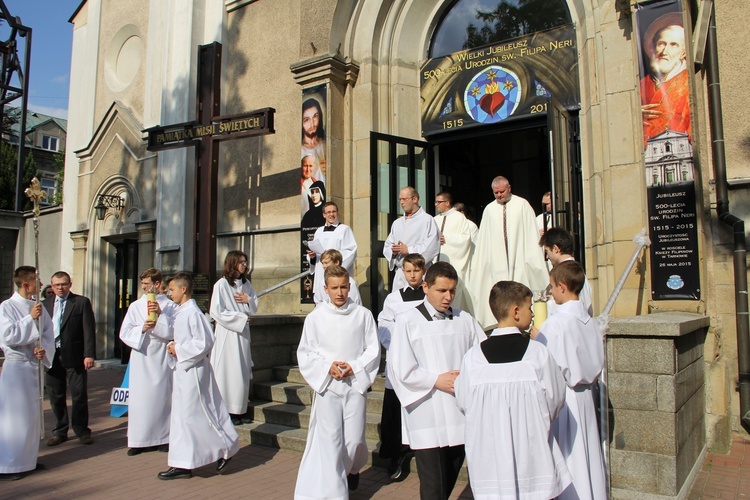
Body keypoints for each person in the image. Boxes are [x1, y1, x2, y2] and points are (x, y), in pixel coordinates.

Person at [455, 280, 571, 499]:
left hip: (490, 457)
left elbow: (463, 403)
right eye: (530, 308)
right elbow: (555, 400)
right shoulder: (538, 354)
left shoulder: (473, 358)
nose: (533, 314)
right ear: (516, 312)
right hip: (531, 453)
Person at [388, 262, 485, 499]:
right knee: (433, 486)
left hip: (459, 412)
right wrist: (436, 380)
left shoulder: (465, 320)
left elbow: (482, 357)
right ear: (425, 287)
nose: (448, 297)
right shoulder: (407, 321)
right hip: (426, 412)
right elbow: (400, 368)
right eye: (441, 290)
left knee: (450, 475)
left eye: (452, 290)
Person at [294, 265, 380, 498]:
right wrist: (326, 367)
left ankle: (352, 469)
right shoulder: (315, 318)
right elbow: (306, 352)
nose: (340, 292)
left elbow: (373, 348)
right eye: (334, 288)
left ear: (349, 286)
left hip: (354, 385)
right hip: (328, 388)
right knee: (331, 443)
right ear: (326, 289)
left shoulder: (363, 315)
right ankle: (336, 492)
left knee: (354, 440)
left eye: (343, 287)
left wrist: (355, 366)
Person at [533, 261, 606, 500]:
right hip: (586, 395)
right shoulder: (589, 320)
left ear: (562, 287)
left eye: (552, 287)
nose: (551, 293)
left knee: (570, 456)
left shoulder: (555, 324)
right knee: (588, 455)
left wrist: (537, 338)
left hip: (566, 399)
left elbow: (546, 365)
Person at [159, 272, 239, 480]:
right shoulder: (181, 312)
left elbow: (205, 342)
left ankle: (225, 448)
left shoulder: (193, 312)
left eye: (172, 289)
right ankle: (183, 462)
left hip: (193, 370)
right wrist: (173, 346)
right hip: (184, 369)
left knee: (198, 414)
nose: (170, 294)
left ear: (183, 289)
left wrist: (179, 349)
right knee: (183, 417)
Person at [467, 176, 548, 330]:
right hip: (496, 264)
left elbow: (530, 235)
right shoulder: (490, 210)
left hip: (520, 260)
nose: (499, 195)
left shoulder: (522, 205)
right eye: (496, 193)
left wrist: (532, 260)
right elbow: (485, 241)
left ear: (509, 188)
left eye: (502, 191)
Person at [0, 266, 54, 480]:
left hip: (33, 367)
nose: (40, 285)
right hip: (16, 369)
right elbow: (8, 336)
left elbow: (49, 333)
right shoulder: (7, 307)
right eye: (36, 281)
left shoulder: (38, 306)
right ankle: (9, 464)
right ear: (25, 284)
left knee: (32, 417)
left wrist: (44, 350)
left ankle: (28, 458)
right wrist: (29, 319)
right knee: (14, 418)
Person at [377, 253, 426, 480]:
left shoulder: (430, 297)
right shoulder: (393, 299)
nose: (413, 274)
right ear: (403, 272)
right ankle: (395, 455)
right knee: (395, 414)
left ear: (423, 271)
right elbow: (384, 325)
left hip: (424, 362)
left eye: (416, 270)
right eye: (408, 271)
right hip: (398, 361)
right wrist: (402, 339)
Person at [119, 268, 175, 455]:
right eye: (142, 284)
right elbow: (124, 332)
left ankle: (162, 438)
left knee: (162, 397)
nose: (143, 287)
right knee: (140, 399)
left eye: (147, 284)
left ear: (157, 284)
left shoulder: (170, 305)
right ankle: (139, 440)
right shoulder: (136, 306)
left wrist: (160, 317)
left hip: (161, 353)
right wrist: (141, 329)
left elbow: (174, 331)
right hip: (142, 354)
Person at [43, 270, 96, 446]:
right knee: (55, 395)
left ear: (70, 284)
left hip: (75, 355)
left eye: (63, 284)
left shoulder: (80, 302)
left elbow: (88, 330)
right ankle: (60, 431)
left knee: (78, 394)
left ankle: (81, 430)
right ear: (52, 286)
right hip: (52, 356)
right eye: (57, 285)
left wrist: (89, 354)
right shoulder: (44, 305)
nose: (60, 288)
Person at [210, 251, 259, 426]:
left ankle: (240, 409)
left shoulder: (246, 284)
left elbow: (254, 307)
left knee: (242, 370)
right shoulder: (221, 285)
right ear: (232, 263)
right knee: (228, 372)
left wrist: (248, 300)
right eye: (241, 262)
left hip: (243, 334)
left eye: (246, 261)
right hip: (227, 335)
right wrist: (240, 318)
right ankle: (228, 411)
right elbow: (217, 311)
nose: (245, 264)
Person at [640, 12, 690, 144]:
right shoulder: (641, 85)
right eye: (661, 44)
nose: (664, 51)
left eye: (673, 45)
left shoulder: (689, 81)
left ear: (683, 53)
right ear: (652, 48)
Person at [383, 186, 440, 290]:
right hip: (401, 274)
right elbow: (387, 245)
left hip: (420, 275)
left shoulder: (427, 220)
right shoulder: (397, 223)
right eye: (400, 199)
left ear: (415, 199)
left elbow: (431, 247)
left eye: (404, 199)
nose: (401, 202)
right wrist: (393, 251)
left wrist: (408, 250)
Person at [306, 201, 357, 304]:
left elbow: (351, 251)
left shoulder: (344, 229)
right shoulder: (318, 231)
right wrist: (312, 256)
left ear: (337, 213)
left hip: (337, 274)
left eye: (334, 211)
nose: (331, 214)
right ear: (324, 215)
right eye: (328, 212)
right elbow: (315, 252)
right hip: (321, 273)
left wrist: (335, 263)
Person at [433, 192, 477, 311]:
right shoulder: (435, 219)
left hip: (454, 261)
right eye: (435, 202)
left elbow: (465, 238)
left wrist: (447, 238)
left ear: (447, 203)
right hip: (438, 260)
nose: (436, 204)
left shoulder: (459, 217)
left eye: (439, 202)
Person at [540, 227, 594, 317]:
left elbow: (580, 308)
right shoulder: (573, 272)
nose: (547, 256)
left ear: (555, 248)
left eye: (547, 251)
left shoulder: (571, 274)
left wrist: (551, 304)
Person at [301, 97, 327, 181]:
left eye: (315, 116)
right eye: (306, 120)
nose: (312, 123)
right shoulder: (301, 150)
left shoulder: (326, 145)